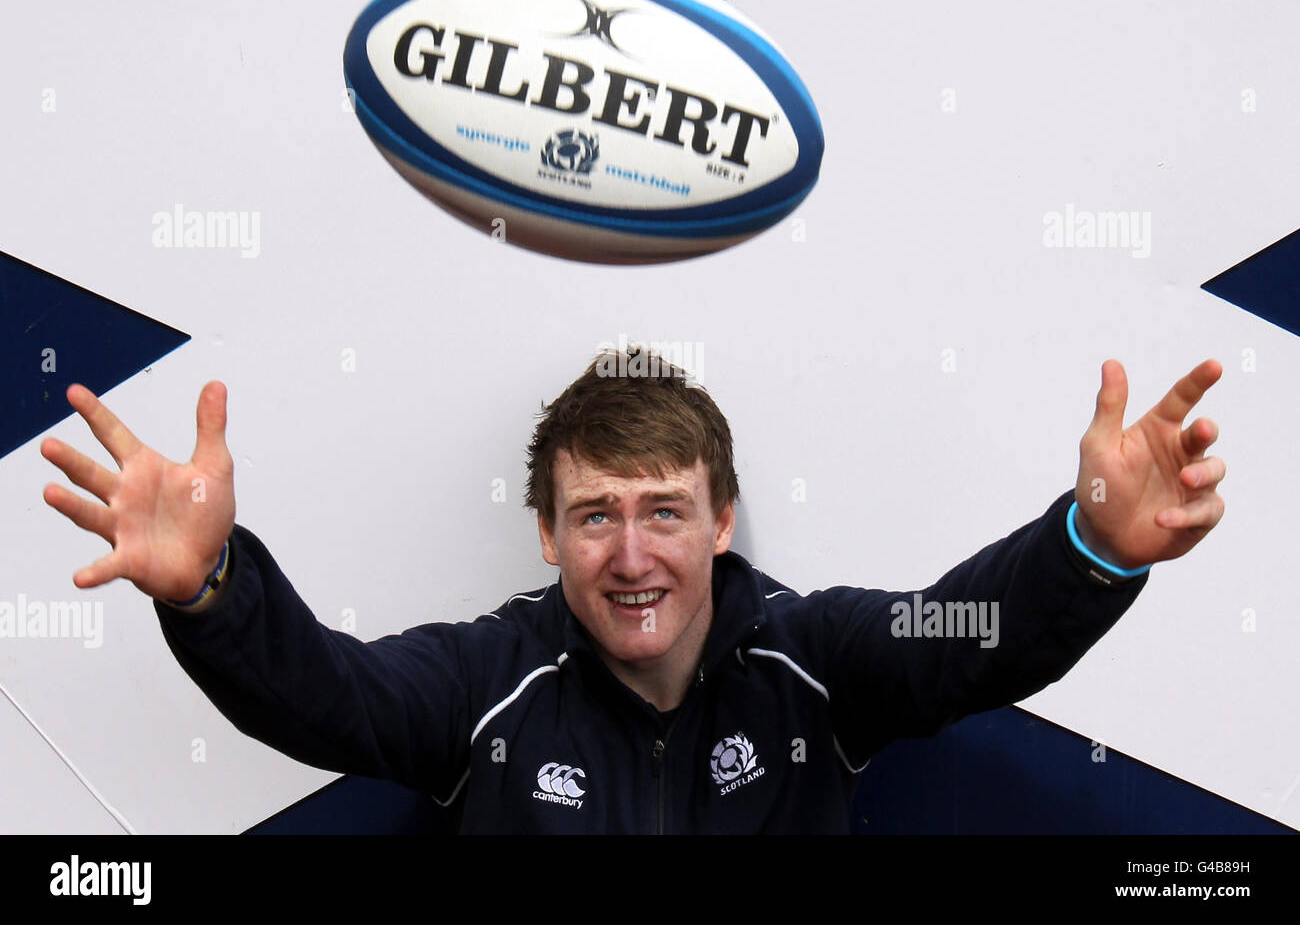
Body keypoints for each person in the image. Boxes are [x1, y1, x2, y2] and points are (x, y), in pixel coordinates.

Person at [39, 346, 1227, 833]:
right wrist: (212, 589)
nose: (631, 550)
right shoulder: (481, 684)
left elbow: (971, 634)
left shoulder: (817, 655)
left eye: (663, 508)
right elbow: (325, 693)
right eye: (594, 513)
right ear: (547, 536)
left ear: (720, 520)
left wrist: (1088, 545)